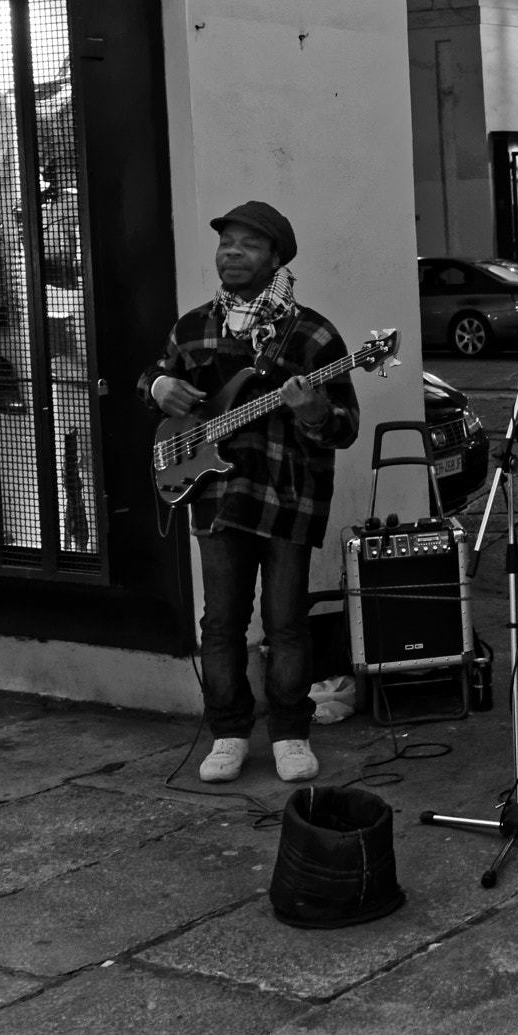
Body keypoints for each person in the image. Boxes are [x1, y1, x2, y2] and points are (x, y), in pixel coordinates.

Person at [140, 201, 359, 785]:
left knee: (286, 622)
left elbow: (346, 427)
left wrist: (314, 412)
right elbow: (149, 380)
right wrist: (161, 385)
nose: (232, 253)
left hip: (287, 498)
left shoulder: (312, 333)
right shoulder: (193, 327)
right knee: (221, 624)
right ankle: (229, 733)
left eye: (249, 245)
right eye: (226, 243)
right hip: (214, 496)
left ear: (276, 259)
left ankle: (290, 732)